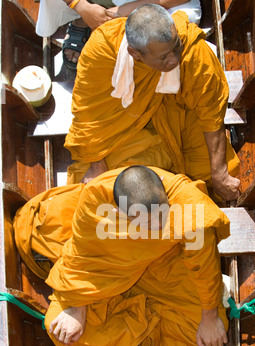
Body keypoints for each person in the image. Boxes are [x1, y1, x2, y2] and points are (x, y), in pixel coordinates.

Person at [25, 165, 231, 346]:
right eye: (147, 222)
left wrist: (209, 318)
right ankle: (140, 334)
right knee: (59, 329)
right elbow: (83, 255)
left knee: (205, 337)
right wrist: (78, 308)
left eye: (162, 214)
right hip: (107, 278)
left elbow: (203, 267)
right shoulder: (96, 201)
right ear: (118, 212)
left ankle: (137, 342)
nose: (159, 225)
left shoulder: (189, 207)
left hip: (168, 269)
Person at [63, 5, 240, 202]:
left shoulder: (191, 47)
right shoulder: (102, 50)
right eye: (164, 57)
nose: (174, 59)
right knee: (107, 186)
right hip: (127, 121)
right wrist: (97, 166)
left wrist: (220, 174)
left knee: (220, 171)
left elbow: (211, 113)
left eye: (176, 47)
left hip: (182, 112)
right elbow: (87, 112)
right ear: (135, 53)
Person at [36, 0, 202, 69]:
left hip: (167, 3)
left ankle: (100, 18)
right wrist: (80, 5)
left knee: (165, 38)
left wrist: (116, 14)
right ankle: (84, 18)